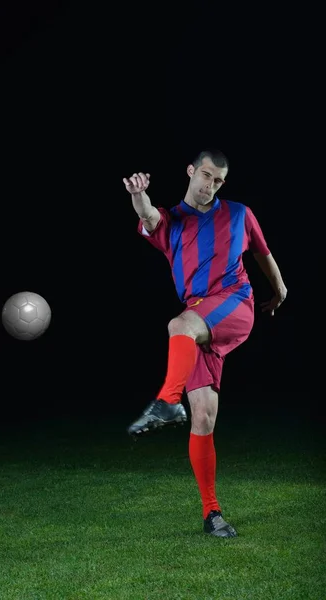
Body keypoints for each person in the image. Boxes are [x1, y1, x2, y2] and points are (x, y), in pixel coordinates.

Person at [122, 149, 287, 538]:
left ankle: (165, 402)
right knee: (203, 417)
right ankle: (212, 513)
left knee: (178, 325)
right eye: (206, 175)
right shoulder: (172, 221)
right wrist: (137, 194)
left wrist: (279, 289)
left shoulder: (239, 213)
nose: (209, 185)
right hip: (200, 318)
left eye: (217, 180)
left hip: (234, 303)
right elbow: (147, 214)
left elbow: (263, 252)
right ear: (191, 171)